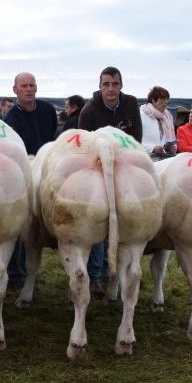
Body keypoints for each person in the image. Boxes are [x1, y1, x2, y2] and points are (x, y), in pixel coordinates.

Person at [78, 66, 142, 296]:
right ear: (100, 86)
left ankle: (114, 269)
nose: (110, 89)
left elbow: (136, 139)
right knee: (99, 221)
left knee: (124, 219)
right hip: (97, 171)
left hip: (124, 168)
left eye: (114, 84)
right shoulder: (88, 111)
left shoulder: (131, 104)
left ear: (121, 85)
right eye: (106, 84)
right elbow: (84, 147)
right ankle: (95, 275)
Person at [3, 72, 57, 289]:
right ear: (15, 90)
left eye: (32, 85)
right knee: (18, 223)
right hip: (21, 171)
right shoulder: (10, 119)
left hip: (45, 169)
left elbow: (52, 138)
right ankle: (15, 271)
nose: (28, 89)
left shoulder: (47, 110)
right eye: (24, 86)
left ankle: (29, 268)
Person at [139, 86, 177, 160]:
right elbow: (133, 141)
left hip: (163, 162)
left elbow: (170, 140)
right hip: (145, 161)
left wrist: (172, 148)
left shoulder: (168, 117)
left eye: (167, 99)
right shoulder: (140, 115)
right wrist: (152, 148)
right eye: (162, 99)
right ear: (153, 100)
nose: (166, 102)